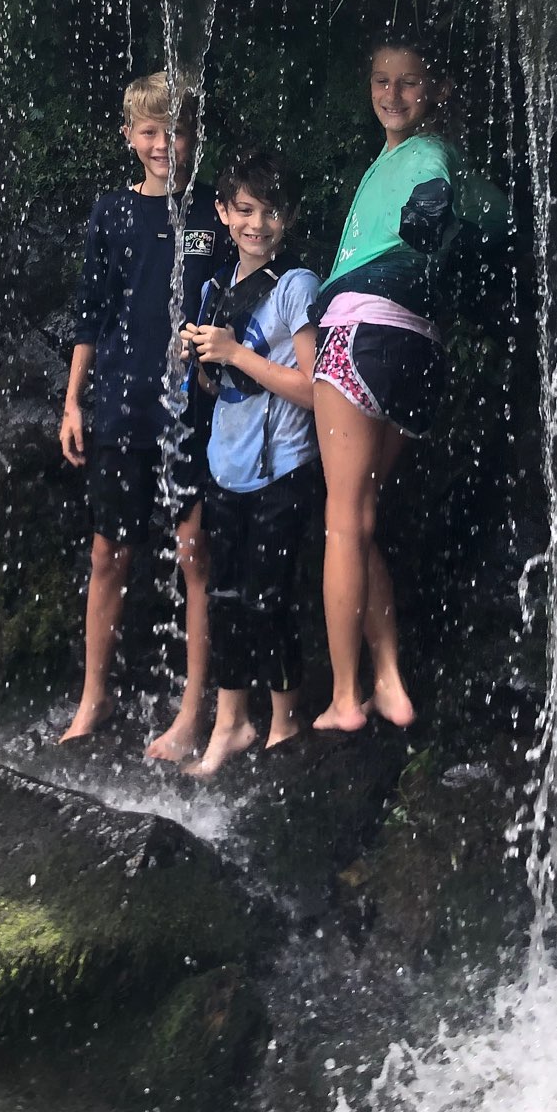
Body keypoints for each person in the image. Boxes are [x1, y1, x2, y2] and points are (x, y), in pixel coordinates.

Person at [59, 72, 225, 756]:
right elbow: (90, 312)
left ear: (193, 138)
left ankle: (192, 711)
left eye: (175, 133)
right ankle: (93, 697)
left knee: (194, 551)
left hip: (191, 405)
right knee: (109, 550)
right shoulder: (113, 213)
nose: (163, 145)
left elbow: (236, 298)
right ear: (129, 136)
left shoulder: (215, 214)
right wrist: (72, 401)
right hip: (123, 401)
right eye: (150, 132)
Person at [309, 32, 456, 734]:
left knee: (342, 520)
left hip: (362, 332)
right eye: (380, 80)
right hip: (417, 349)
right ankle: (390, 682)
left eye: (409, 81)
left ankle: (346, 696)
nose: (392, 95)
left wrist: (427, 215)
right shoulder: (390, 159)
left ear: (436, 91)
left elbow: (434, 190)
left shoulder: (426, 153)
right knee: (362, 518)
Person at [180, 151, 320, 776]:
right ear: (222, 212)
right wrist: (203, 360)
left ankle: (284, 723)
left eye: (270, 212)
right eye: (244, 210)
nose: (257, 225)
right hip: (226, 467)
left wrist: (235, 352)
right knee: (226, 598)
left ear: (288, 218)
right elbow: (218, 388)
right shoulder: (214, 290)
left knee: (270, 599)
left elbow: (315, 390)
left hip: (283, 468)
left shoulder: (296, 287)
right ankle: (230, 722)